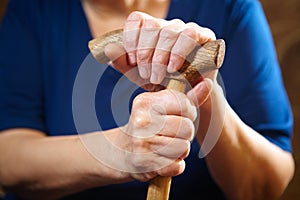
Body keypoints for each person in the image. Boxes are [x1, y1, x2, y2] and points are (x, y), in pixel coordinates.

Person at [0, 0, 295, 199]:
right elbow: (7, 159)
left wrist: (203, 95)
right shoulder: (33, 10)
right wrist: (122, 152)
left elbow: (266, 184)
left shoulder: (230, 7)